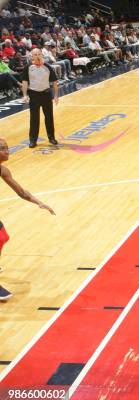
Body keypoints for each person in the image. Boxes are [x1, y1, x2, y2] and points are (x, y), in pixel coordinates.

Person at [0, 138, 55, 301]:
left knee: (3, 236)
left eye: (7, 147)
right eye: (3, 148)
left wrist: (39, 202)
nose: (7, 151)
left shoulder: (3, 170)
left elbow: (21, 192)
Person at [21, 48, 59, 149]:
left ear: (42, 55)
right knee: (34, 118)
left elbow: (55, 82)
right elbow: (24, 82)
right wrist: (25, 95)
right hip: (34, 95)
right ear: (32, 56)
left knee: (49, 117)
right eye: (35, 54)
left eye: (39, 54)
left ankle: (51, 138)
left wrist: (56, 96)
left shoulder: (48, 67)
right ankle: (33, 140)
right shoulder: (28, 68)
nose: (37, 56)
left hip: (46, 94)